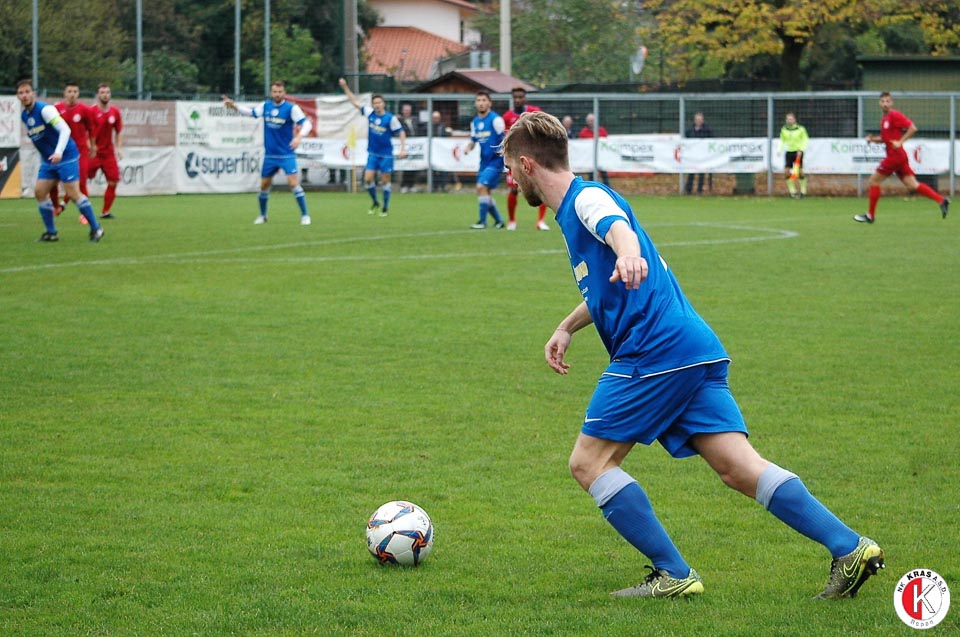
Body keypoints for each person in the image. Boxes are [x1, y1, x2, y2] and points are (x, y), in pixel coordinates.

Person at [501, 111, 885, 599]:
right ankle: (850, 547)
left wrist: (627, 251)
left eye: (511, 168)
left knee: (588, 463)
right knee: (738, 467)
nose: (510, 179)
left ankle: (673, 573)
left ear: (528, 165)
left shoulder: (586, 199)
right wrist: (566, 326)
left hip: (653, 350)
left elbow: (618, 230)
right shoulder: (574, 212)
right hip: (691, 347)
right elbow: (607, 284)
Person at [16, 79, 103, 242]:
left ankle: (96, 228)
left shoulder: (45, 110)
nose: (24, 95)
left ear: (33, 93)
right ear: (18, 96)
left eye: (27, 92)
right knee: (40, 192)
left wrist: (58, 152)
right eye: (21, 93)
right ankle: (51, 233)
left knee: (74, 194)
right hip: (48, 160)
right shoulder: (24, 115)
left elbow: (65, 130)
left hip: (66, 156)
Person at [223, 81, 312, 225]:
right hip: (270, 155)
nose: (277, 94)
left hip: (286, 154)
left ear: (284, 93)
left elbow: (307, 123)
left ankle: (305, 215)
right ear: (271, 93)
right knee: (264, 185)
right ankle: (263, 216)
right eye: (275, 92)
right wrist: (234, 106)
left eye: (280, 92)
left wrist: (299, 137)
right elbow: (251, 113)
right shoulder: (266, 106)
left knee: (293, 183)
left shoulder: (291, 108)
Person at [855, 91, 949, 223]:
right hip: (899, 157)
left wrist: (900, 142)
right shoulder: (884, 120)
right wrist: (873, 139)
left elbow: (913, 128)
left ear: (892, 103)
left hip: (895, 157)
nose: (885, 104)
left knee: (874, 181)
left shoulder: (895, 115)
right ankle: (941, 200)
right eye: (883, 101)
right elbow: (886, 138)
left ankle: (870, 215)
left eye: (888, 101)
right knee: (912, 185)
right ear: (879, 103)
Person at [338, 78, 406, 217]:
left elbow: (401, 132)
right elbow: (355, 102)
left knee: (385, 181)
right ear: (372, 105)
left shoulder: (390, 118)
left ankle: (385, 207)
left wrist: (403, 149)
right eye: (375, 103)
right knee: (368, 179)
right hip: (373, 153)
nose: (377, 105)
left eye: (379, 103)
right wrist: (345, 87)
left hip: (386, 155)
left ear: (383, 103)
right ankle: (375, 202)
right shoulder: (370, 113)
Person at [502, 87, 549, 231]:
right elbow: (506, 139)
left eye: (520, 97)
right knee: (514, 189)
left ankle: (540, 221)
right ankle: (512, 221)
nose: (518, 100)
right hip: (516, 159)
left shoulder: (534, 112)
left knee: (540, 187)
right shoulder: (507, 117)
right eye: (515, 97)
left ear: (525, 98)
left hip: (533, 157)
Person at [50, 82, 96, 223]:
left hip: (79, 152)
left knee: (81, 183)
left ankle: (84, 214)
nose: (72, 94)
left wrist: (93, 147)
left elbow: (91, 130)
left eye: (75, 91)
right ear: (64, 93)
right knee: (52, 182)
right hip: (60, 152)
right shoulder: (56, 109)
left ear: (78, 93)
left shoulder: (85, 110)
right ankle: (56, 206)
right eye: (69, 91)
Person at [463, 91, 505, 229]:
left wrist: (504, 151)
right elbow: (473, 139)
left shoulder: (496, 120)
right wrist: (468, 147)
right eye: (478, 100)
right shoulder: (475, 122)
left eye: (484, 100)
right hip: (484, 162)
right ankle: (499, 221)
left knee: (481, 187)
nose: (481, 103)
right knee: (485, 191)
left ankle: (482, 221)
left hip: (496, 161)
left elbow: (505, 138)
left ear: (489, 103)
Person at [87, 83, 124, 219]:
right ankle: (81, 210)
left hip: (108, 153)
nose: (105, 95)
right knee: (80, 180)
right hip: (93, 152)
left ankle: (105, 211)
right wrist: (90, 146)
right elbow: (85, 131)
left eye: (107, 92)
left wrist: (119, 148)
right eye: (102, 92)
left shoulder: (115, 112)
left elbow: (119, 131)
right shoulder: (91, 111)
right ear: (98, 95)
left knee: (113, 181)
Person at [778, 112, 809, 198]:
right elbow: (782, 140)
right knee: (786, 172)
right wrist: (779, 150)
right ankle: (793, 191)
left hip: (798, 152)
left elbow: (805, 140)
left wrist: (801, 149)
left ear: (794, 120)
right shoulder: (784, 129)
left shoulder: (801, 129)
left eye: (791, 119)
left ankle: (803, 191)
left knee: (799, 172)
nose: (789, 120)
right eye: (787, 119)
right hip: (789, 152)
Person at [429, 110, 460, 193]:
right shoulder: (429, 127)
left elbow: (445, 138)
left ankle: (443, 186)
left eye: (437, 118)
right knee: (433, 170)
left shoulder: (442, 127)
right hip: (432, 152)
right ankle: (434, 187)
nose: (436, 119)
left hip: (441, 153)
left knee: (443, 169)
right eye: (434, 118)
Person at [684, 112, 713, 195]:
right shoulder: (689, 131)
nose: (698, 121)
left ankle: (699, 190)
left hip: (703, 156)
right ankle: (688, 190)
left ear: (703, 120)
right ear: (694, 120)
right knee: (691, 172)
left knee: (701, 173)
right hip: (692, 156)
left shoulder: (707, 130)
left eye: (700, 119)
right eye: (697, 119)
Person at [578, 113, 610, 186]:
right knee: (591, 175)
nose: (591, 122)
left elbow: (606, 142)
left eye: (592, 120)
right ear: (587, 122)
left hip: (601, 157)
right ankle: (591, 188)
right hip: (589, 158)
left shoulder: (602, 130)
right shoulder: (583, 132)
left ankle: (608, 189)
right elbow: (581, 145)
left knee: (604, 174)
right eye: (589, 120)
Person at [399, 103, 421, 194]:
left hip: (415, 146)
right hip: (405, 145)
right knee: (405, 165)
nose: (407, 112)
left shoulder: (415, 120)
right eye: (405, 110)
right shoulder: (399, 121)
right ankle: (404, 185)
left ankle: (412, 185)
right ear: (402, 111)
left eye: (408, 110)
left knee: (414, 165)